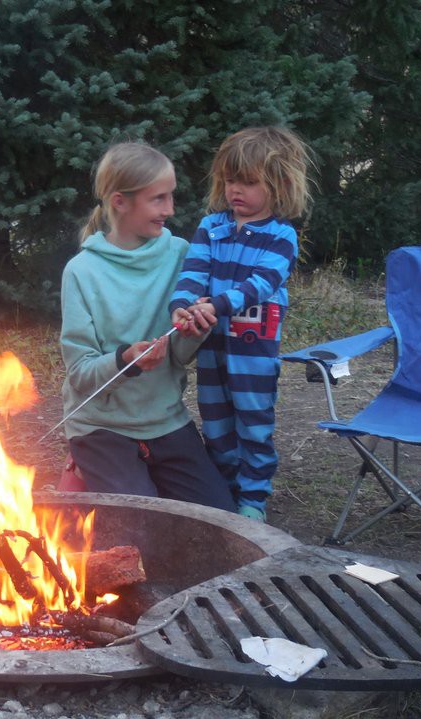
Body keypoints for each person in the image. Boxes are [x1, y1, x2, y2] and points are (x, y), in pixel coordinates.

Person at [59, 142, 236, 513]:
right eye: (158, 199)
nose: (170, 210)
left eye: (171, 196)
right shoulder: (82, 272)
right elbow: (79, 374)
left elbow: (181, 355)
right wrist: (126, 359)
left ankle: (137, 474)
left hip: (166, 420)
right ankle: (85, 464)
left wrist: (195, 330)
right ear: (120, 202)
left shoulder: (184, 255)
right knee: (141, 530)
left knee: (220, 522)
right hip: (101, 427)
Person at [169, 126, 312, 520]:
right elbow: (192, 274)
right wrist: (181, 307)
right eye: (230, 180)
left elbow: (261, 284)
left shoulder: (281, 237)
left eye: (248, 182)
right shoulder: (210, 227)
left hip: (254, 350)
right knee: (214, 420)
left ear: (279, 184)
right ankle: (225, 490)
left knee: (252, 420)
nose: (236, 190)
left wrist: (217, 304)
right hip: (212, 347)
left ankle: (253, 498)